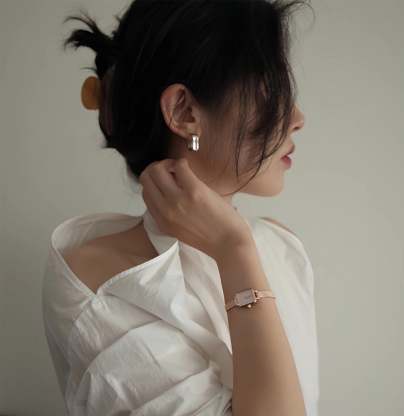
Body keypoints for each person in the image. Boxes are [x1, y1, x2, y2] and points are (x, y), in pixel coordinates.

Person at [42, 1, 319, 415]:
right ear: (184, 112)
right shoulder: (100, 283)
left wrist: (237, 247)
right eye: (270, 91)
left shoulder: (282, 248)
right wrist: (234, 251)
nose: (297, 117)